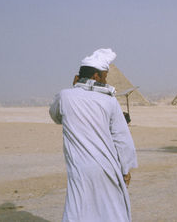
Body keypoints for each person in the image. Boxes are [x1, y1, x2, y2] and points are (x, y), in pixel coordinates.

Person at [49, 48, 138, 222]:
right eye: (105, 76)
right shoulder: (110, 101)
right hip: (107, 168)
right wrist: (125, 169)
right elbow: (122, 139)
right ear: (96, 77)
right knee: (112, 213)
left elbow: (56, 116)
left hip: (79, 169)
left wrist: (73, 87)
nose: (105, 81)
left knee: (78, 211)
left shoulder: (65, 96)